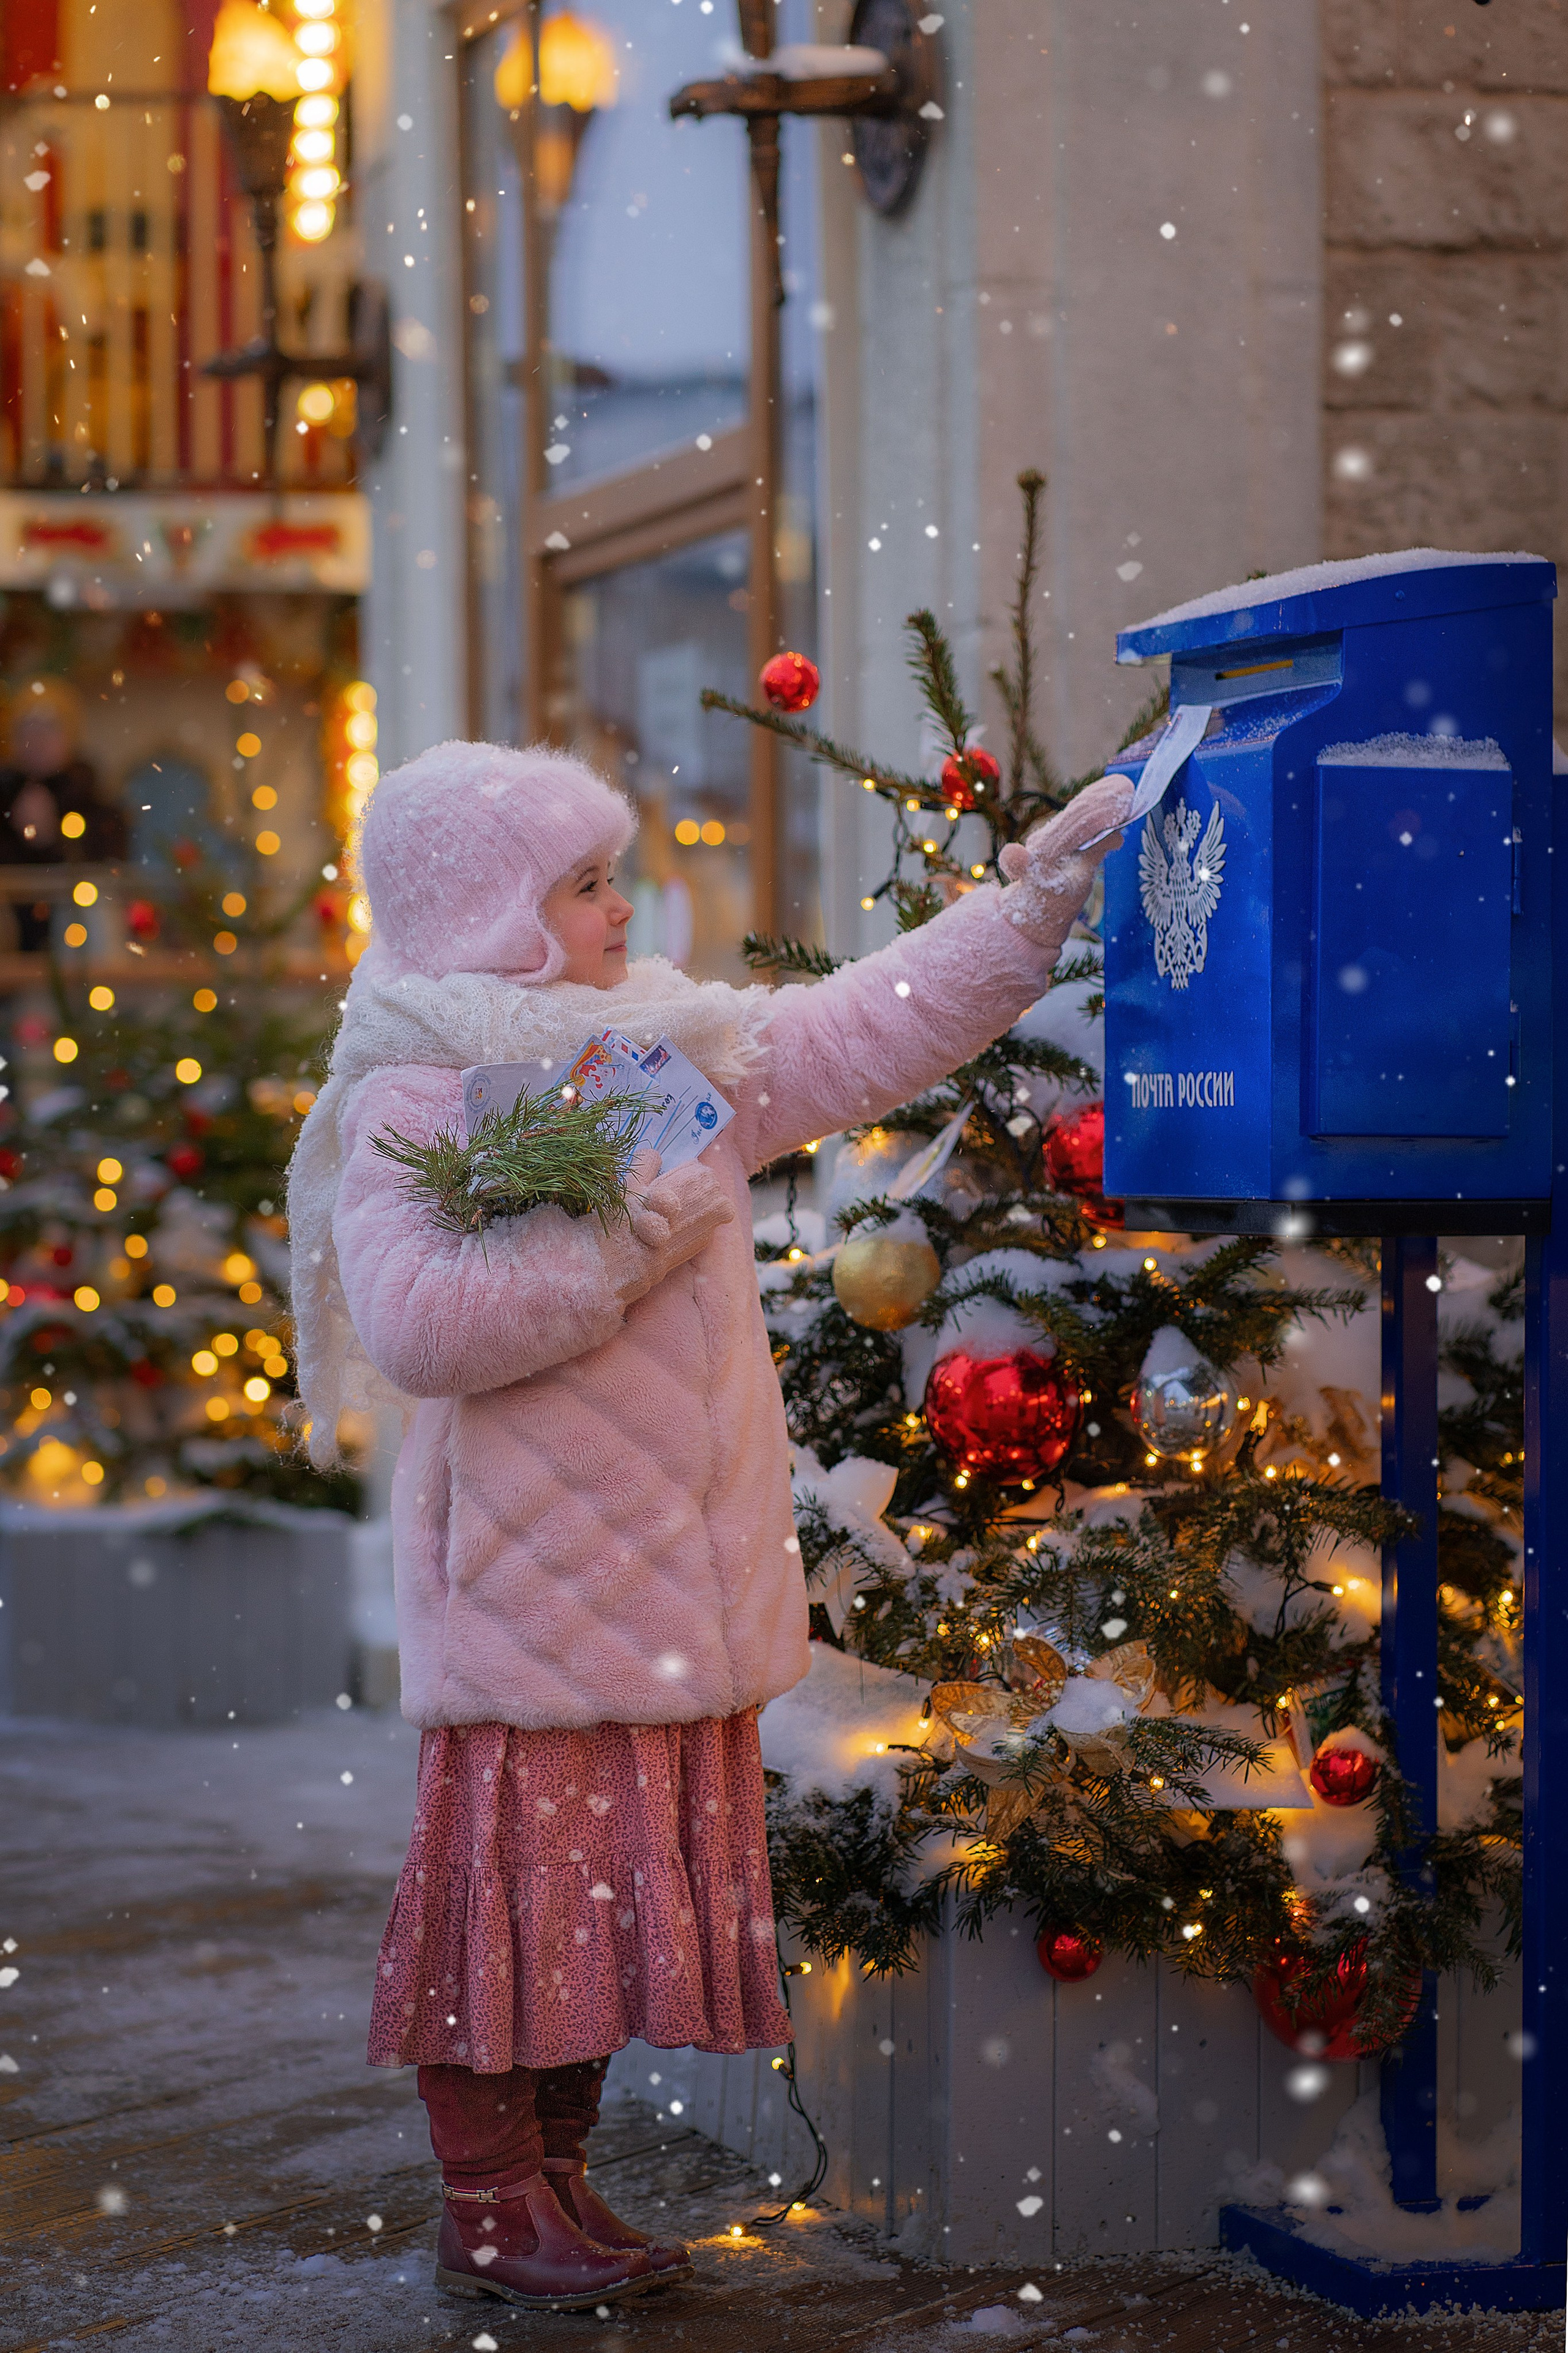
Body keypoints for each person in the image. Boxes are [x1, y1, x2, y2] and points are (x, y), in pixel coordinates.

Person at [287, 741, 1129, 2314]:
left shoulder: (649, 1044)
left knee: (589, 1914)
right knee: (516, 1914)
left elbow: (851, 1031)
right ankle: (486, 2204)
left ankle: (555, 2182)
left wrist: (1025, 906)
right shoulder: (413, 1073)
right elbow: (417, 1326)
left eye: (611, 875)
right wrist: (625, 1224)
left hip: (664, 1578)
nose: (623, 905)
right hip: (532, 1598)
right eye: (584, 884)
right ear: (493, 913)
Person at [0, 682, 127, 951]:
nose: (37, 740)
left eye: (49, 728)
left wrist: (52, 837)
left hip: (76, 954)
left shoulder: (93, 802)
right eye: (27, 729)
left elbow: (107, 869)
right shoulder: (5, 796)